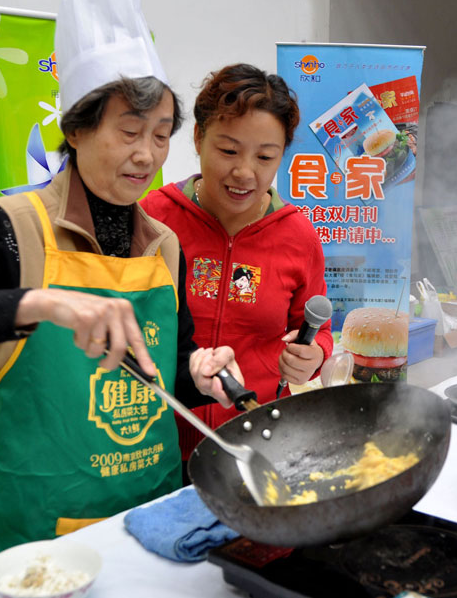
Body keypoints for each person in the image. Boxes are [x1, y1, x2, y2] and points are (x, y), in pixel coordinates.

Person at [0, 0, 243, 570]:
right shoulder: (12, 228)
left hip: (150, 521)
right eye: (130, 131)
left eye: (161, 135)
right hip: (38, 539)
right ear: (76, 129)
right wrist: (42, 304)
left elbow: (168, 371)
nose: (147, 155)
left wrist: (198, 371)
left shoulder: (164, 244)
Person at [141, 64, 333, 461]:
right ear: (198, 137)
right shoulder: (152, 218)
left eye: (265, 157)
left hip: (256, 443)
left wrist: (314, 356)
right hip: (155, 443)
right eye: (229, 151)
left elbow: (316, 329)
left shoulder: (297, 236)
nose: (245, 172)